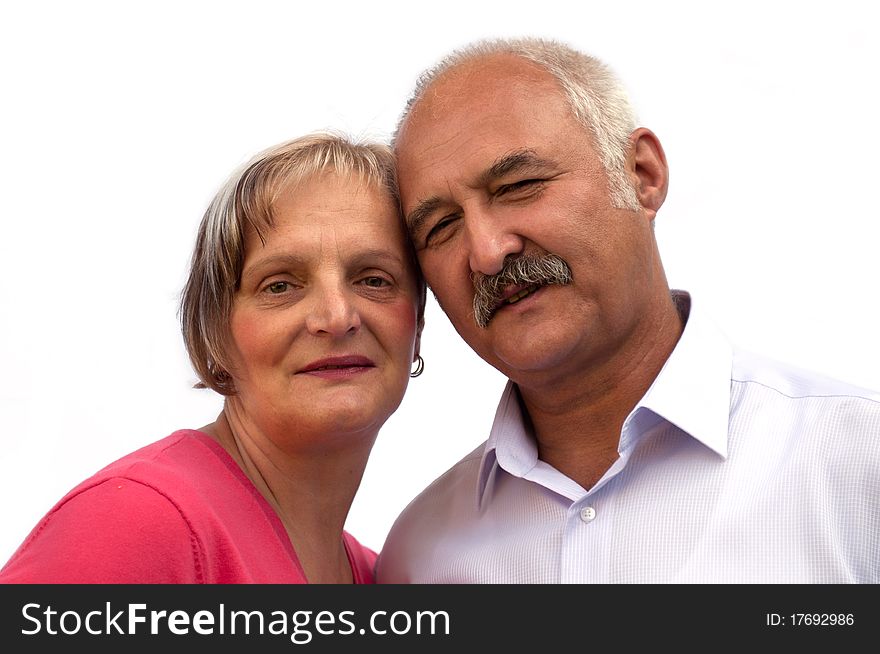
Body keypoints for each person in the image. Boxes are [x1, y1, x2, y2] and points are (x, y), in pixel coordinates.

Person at [376, 37, 880, 583]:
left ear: (642, 174)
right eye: (441, 227)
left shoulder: (856, 460)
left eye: (519, 186)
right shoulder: (419, 557)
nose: (488, 251)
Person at [0, 133, 425, 584]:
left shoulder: (381, 576)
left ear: (417, 324)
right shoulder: (138, 522)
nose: (337, 317)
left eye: (374, 279)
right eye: (279, 285)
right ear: (214, 336)